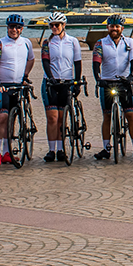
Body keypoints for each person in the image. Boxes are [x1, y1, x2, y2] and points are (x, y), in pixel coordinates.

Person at [93, 14, 133, 160]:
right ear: (107, 27)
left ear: (122, 28)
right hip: (107, 82)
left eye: (117, 27)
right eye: (111, 26)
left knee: (131, 115)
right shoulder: (100, 43)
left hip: (124, 83)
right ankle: (106, 148)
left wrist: (131, 76)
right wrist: (98, 78)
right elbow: (96, 62)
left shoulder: (130, 43)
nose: (114, 29)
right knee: (107, 116)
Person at [0, 14, 35, 166]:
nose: (14, 30)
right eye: (11, 27)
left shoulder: (26, 43)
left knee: (12, 120)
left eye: (17, 27)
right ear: (7, 28)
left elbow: (31, 59)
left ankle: (7, 152)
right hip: (3, 86)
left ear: (22, 29)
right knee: (2, 117)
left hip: (18, 86)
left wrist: (25, 75)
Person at [40, 12, 81, 163]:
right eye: (51, 25)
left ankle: (61, 149)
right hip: (51, 82)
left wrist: (76, 82)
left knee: (62, 119)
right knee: (52, 118)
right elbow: (45, 61)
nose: (54, 28)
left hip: (67, 82)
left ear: (64, 25)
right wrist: (51, 78)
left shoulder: (73, 41)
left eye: (57, 25)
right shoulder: (47, 42)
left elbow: (77, 62)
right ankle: (52, 149)